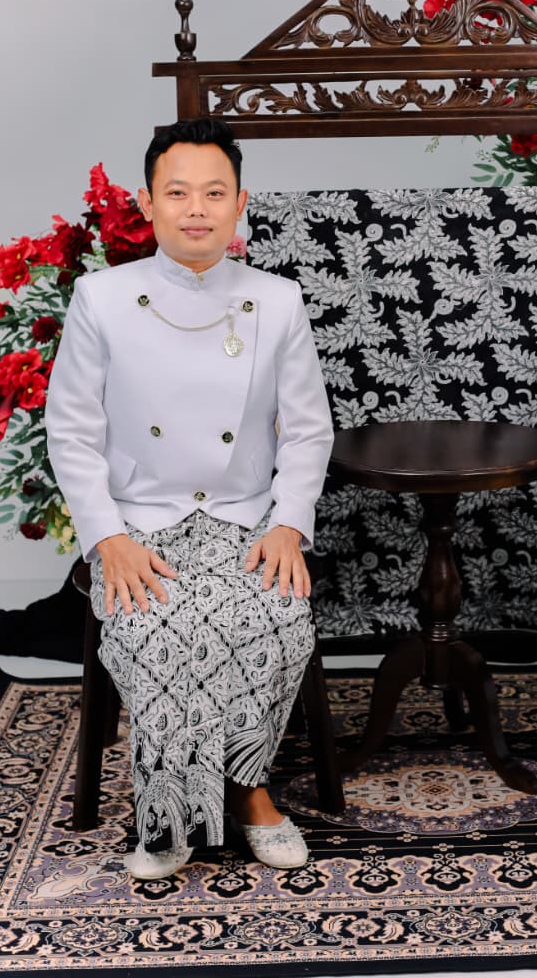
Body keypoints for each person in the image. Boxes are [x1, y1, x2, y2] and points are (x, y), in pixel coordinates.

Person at [46, 118, 334, 880]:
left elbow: (308, 430)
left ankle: (248, 790)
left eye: (214, 193)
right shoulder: (102, 298)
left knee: (275, 618)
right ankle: (167, 815)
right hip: (139, 522)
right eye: (177, 193)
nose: (196, 209)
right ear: (148, 203)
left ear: (240, 203)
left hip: (245, 517)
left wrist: (288, 524)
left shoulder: (277, 300)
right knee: (157, 627)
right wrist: (106, 538)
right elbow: (70, 432)